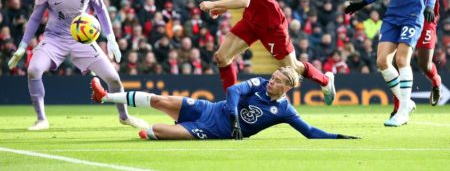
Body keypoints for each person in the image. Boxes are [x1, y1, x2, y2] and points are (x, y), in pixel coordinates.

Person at [7, 0, 148, 131]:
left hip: (82, 39)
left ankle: (124, 116)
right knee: (33, 70)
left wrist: (111, 38)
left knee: (114, 79)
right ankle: (41, 119)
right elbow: (35, 18)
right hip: (54, 38)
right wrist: (23, 45)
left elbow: (101, 10)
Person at [198, 0, 335, 105]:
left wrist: (214, 4)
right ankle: (232, 104)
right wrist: (223, 7)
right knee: (222, 57)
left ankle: (325, 81)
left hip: (272, 25)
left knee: (292, 67)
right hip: (251, 21)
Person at [91, 66, 359, 140]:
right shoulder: (257, 83)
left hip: (210, 131)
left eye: (277, 81)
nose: (271, 82)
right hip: (209, 110)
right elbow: (232, 90)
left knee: (156, 130)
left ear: (287, 88)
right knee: (160, 99)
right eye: (273, 77)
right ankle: (106, 97)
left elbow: (309, 132)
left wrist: (337, 136)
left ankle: (151, 133)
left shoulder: (285, 110)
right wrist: (233, 117)